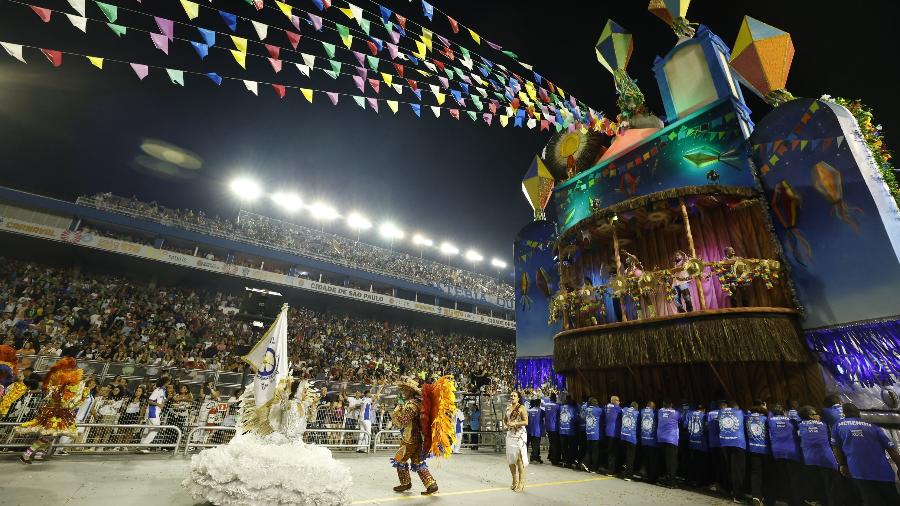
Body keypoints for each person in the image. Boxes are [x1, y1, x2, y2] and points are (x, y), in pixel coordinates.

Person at [17, 357, 88, 463]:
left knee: (51, 436)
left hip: (53, 412)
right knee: (47, 437)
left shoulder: (54, 386)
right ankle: (26, 454)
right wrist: (81, 386)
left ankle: (39, 455)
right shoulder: (61, 388)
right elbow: (67, 402)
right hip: (56, 414)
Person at [831, 402, 900, 506]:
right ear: (858, 413)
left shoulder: (838, 425)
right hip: (884, 472)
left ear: (844, 414)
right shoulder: (874, 426)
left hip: (859, 472)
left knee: (872, 500)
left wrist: (842, 464)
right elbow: (892, 449)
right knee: (893, 500)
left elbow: (836, 447)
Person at [390, 378, 439, 495]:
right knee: (417, 462)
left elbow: (404, 421)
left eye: (404, 390)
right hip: (418, 439)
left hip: (410, 439)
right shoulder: (417, 403)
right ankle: (431, 484)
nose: (402, 392)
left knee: (399, 460)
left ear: (410, 391)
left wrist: (396, 412)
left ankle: (405, 483)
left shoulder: (411, 405)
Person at [797, 405, 841, 506]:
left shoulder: (799, 425)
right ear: (811, 416)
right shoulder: (824, 425)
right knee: (831, 487)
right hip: (827, 460)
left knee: (819, 486)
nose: (819, 415)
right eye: (815, 413)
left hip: (810, 460)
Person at [768, 404, 802, 505]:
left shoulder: (770, 420)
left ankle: (789, 500)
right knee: (794, 477)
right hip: (792, 452)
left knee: (784, 477)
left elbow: (769, 415)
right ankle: (797, 501)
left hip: (777, 452)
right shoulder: (791, 421)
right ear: (783, 411)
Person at [718, 401, 746, 502]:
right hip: (738, 443)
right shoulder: (740, 413)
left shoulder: (720, 412)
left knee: (729, 468)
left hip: (724, 443)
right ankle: (738, 496)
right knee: (738, 471)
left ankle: (730, 490)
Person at [746, 401, 771, 506]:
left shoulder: (747, 418)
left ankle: (756, 496)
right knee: (766, 474)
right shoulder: (765, 419)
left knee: (755, 473)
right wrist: (765, 409)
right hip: (765, 450)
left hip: (752, 449)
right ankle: (765, 497)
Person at [504, 390, 529, 492]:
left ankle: (521, 483)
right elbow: (505, 419)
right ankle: (514, 480)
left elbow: (526, 422)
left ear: (518, 398)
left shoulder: (522, 408)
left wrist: (516, 423)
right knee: (510, 459)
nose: (512, 397)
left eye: (514, 395)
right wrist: (506, 425)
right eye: (511, 395)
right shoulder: (508, 408)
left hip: (519, 435)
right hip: (510, 435)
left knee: (519, 459)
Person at [139, 376, 171, 452]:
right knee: (155, 429)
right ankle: (143, 446)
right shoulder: (158, 390)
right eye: (169, 381)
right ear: (166, 382)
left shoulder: (163, 390)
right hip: (153, 411)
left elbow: (161, 402)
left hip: (155, 411)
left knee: (148, 429)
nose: (170, 383)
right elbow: (150, 400)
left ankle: (141, 446)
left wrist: (167, 399)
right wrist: (159, 405)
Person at [656, 400, 681, 488]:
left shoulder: (659, 411)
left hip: (660, 438)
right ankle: (671, 483)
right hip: (671, 439)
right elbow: (681, 420)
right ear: (671, 404)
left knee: (662, 459)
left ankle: (662, 479)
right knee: (672, 462)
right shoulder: (676, 413)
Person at [707, 401, 728, 494]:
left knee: (715, 465)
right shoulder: (724, 413)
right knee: (724, 465)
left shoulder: (709, 414)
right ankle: (724, 486)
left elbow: (706, 427)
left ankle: (717, 483)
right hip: (721, 443)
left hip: (712, 443)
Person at [686, 405, 709, 488]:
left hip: (692, 442)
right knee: (702, 464)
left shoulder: (689, 414)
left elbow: (685, 425)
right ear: (703, 409)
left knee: (693, 462)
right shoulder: (704, 416)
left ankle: (692, 480)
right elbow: (707, 428)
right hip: (702, 445)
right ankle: (701, 482)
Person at [581, 397, 602, 473]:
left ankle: (585, 463)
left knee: (589, 450)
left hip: (588, 432)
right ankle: (594, 468)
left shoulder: (586, 410)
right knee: (595, 451)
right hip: (595, 433)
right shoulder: (598, 410)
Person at [640, 401, 659, 484]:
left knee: (646, 458)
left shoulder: (642, 411)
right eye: (654, 406)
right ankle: (652, 478)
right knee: (652, 460)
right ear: (653, 406)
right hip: (652, 440)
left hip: (644, 439)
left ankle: (646, 475)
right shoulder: (655, 412)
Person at [620, 401, 639, 481]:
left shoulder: (624, 409)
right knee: (631, 457)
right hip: (631, 438)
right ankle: (628, 475)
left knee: (627, 455)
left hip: (624, 437)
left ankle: (626, 470)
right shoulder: (636, 413)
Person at [604, 395, 623, 475]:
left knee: (610, 451)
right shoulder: (617, 408)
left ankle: (610, 469)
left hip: (608, 432)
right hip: (614, 433)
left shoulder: (607, 407)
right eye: (618, 400)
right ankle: (612, 470)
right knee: (614, 452)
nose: (619, 402)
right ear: (614, 401)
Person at [543, 393, 561, 465]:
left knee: (551, 442)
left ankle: (550, 456)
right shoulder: (557, 406)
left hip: (548, 426)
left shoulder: (546, 405)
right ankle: (554, 459)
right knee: (555, 443)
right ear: (555, 398)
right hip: (555, 427)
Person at [559, 398, 577, 468]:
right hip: (570, 431)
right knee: (571, 447)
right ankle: (570, 462)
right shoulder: (572, 408)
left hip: (562, 430)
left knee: (564, 447)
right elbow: (575, 418)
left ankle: (564, 461)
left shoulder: (560, 408)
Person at [526, 398, 544, 463]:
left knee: (533, 444)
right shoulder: (540, 411)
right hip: (537, 431)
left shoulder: (529, 411)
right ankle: (534, 457)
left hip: (530, 430)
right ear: (539, 403)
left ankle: (536, 457)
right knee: (536, 445)